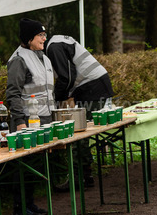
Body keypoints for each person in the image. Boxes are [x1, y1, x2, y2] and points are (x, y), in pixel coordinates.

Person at [46, 35, 114, 188]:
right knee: (82, 132)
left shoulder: (52, 47)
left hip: (91, 87)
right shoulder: (58, 41)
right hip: (95, 84)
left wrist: (56, 99)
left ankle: (79, 178)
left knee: (79, 132)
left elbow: (66, 77)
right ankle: (86, 175)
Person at [5, 18, 55, 215]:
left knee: (35, 164)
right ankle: (19, 209)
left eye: (44, 34)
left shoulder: (42, 56)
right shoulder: (19, 59)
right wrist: (20, 122)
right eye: (40, 35)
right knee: (23, 165)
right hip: (26, 120)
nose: (44, 38)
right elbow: (13, 93)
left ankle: (30, 204)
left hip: (43, 119)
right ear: (29, 38)